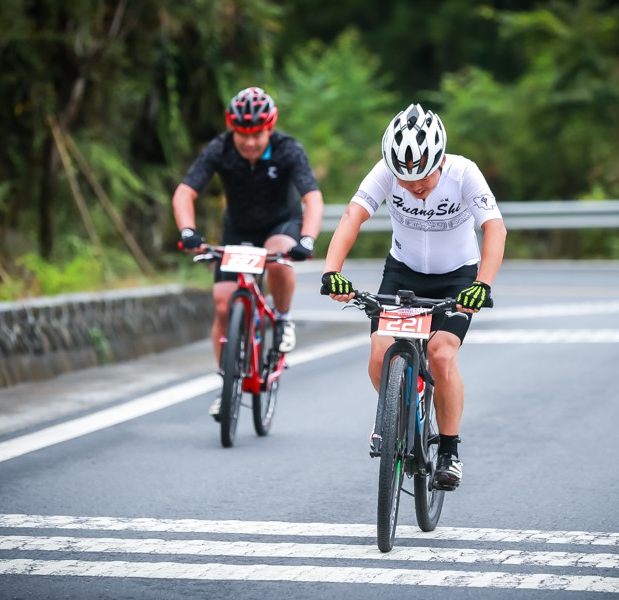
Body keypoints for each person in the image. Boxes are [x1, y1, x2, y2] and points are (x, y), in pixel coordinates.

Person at [321, 103, 506, 490]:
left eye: (423, 178)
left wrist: (482, 285)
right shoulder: (386, 173)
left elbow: (495, 228)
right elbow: (352, 216)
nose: (415, 187)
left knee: (440, 354)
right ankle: (398, 414)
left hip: (458, 277)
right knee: (379, 355)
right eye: (406, 182)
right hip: (403, 271)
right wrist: (331, 272)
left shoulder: (464, 172)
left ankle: (450, 451)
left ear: (439, 160)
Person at [173, 86, 324, 420]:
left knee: (279, 259)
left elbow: (312, 198)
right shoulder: (220, 148)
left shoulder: (288, 150)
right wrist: (187, 231)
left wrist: (308, 240)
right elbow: (185, 192)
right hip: (239, 231)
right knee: (224, 304)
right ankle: (228, 383)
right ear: (233, 129)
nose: (251, 142)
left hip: (281, 224)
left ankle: (282, 319)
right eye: (243, 134)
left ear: (270, 127)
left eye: (257, 133)